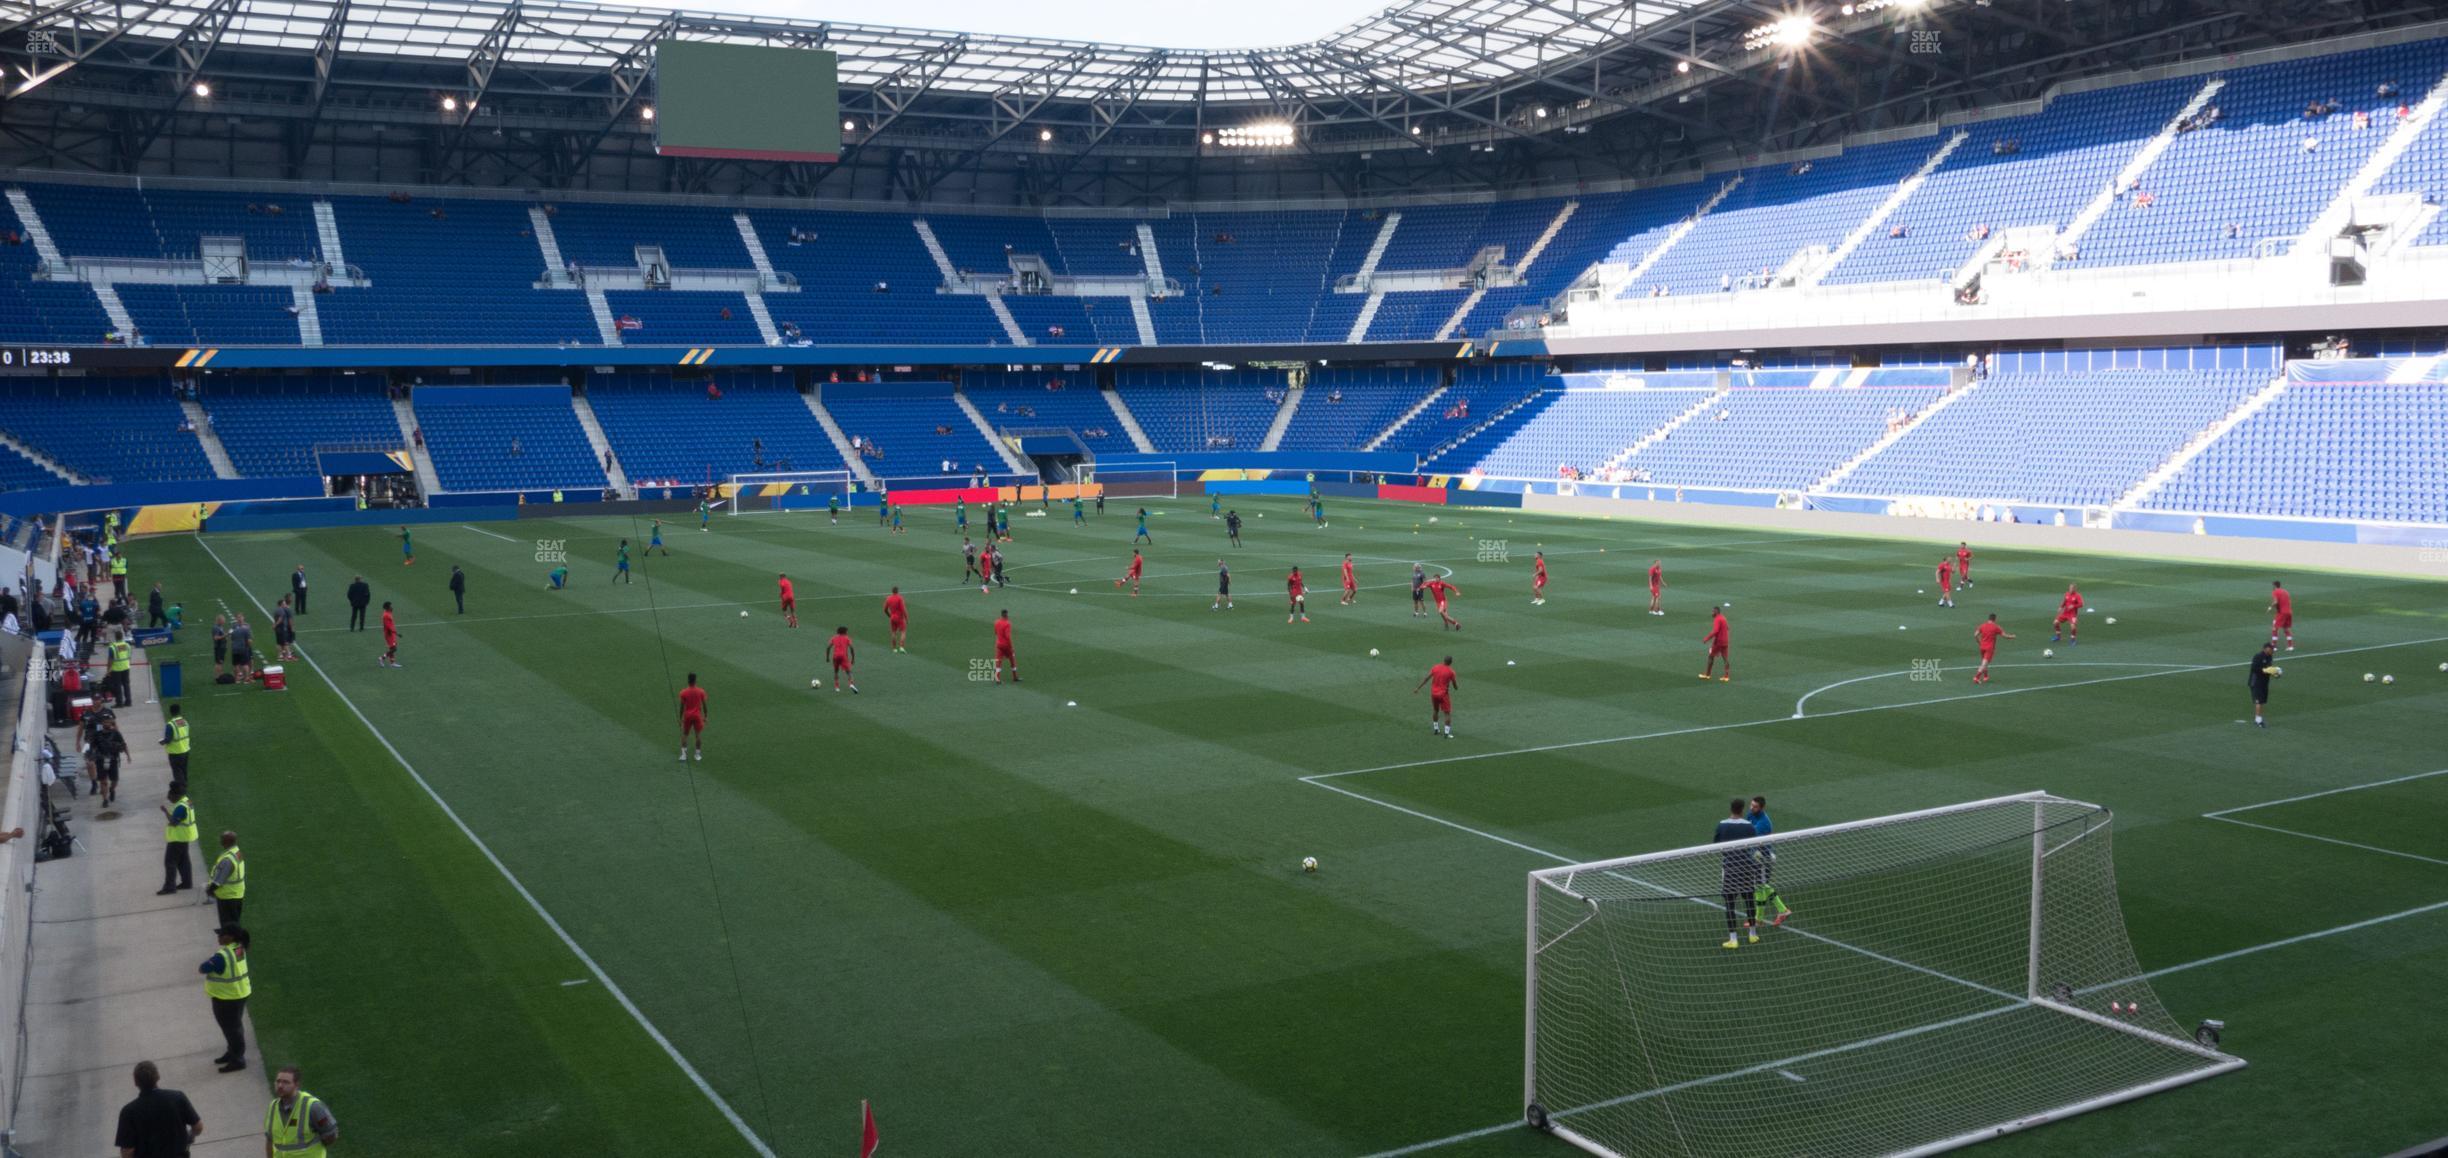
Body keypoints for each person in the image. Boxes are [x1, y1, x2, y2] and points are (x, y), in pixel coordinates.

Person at [113, 1060, 202, 1158]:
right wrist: (190, 1137)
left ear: (136, 1082)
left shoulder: (128, 1112)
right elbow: (198, 1127)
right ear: (158, 1077)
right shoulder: (177, 1097)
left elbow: (127, 1151)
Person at [201, 924, 250, 1072]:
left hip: (226, 999)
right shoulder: (238, 948)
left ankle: (238, 1059)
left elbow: (203, 968)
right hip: (239, 994)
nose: (219, 937)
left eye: (222, 934)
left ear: (231, 937)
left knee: (232, 1030)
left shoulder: (222, 956)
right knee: (233, 1028)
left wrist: (211, 960)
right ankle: (232, 1053)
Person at [1715, 799, 1762, 948]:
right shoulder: (1749, 826)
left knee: (1730, 903)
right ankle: (1752, 935)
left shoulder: (1722, 825)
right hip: (1747, 868)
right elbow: (1754, 846)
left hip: (1730, 868)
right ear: (1742, 810)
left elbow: (1717, 844)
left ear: (1731, 809)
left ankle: (1733, 939)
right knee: (1749, 900)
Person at [264, 1066, 338, 1157]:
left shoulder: (313, 1107)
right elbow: (270, 1140)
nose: (280, 1086)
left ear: (297, 1085)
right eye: (278, 1081)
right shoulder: (273, 1106)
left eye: (286, 1082)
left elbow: (331, 1135)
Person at [1746, 796, 1794, 925]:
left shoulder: (1763, 823)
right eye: (1751, 805)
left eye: (1755, 806)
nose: (1751, 808)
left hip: (1762, 860)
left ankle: (1758, 919)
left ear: (1762, 808)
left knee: (1760, 888)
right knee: (1762, 887)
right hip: (1755, 858)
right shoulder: (1750, 815)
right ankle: (1782, 910)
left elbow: (1753, 841)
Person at [159, 784, 198, 894]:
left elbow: (173, 822)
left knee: (170, 862)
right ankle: (187, 883)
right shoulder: (187, 801)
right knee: (183, 861)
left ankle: (169, 887)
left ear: (176, 795)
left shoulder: (181, 807)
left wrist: (165, 812)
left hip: (178, 838)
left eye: (170, 796)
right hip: (185, 836)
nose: (168, 798)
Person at [1413, 655, 1458, 739]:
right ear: (1451, 662)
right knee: (1447, 713)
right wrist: (1456, 687)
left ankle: (1436, 729)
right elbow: (1455, 685)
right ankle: (1446, 733)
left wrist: (1418, 688)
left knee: (1435, 710)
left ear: (1443, 660)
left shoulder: (1436, 667)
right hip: (1443, 695)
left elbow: (1427, 678)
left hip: (1434, 694)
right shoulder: (1451, 672)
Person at [207, 830, 245, 927]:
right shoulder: (237, 852)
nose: (220, 842)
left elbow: (218, 881)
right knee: (234, 922)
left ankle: (232, 940)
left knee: (228, 925)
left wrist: (210, 890)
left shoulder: (227, 860)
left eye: (222, 840)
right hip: (237, 894)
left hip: (227, 896)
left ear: (227, 842)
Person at [91, 714, 126, 806]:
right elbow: (92, 747)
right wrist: (92, 756)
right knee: (103, 781)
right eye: (105, 721)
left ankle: (112, 789)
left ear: (111, 722)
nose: (107, 723)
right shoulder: (97, 734)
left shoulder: (116, 733)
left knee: (114, 780)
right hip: (100, 760)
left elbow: (123, 745)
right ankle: (105, 800)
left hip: (113, 759)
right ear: (102, 723)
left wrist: (121, 749)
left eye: (108, 721)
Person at [1973, 613, 2013, 684]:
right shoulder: (1996, 627)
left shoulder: (1982, 625)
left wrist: (1978, 642)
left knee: (1984, 662)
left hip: (1982, 647)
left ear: (1988, 618)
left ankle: (1985, 676)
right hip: (1989, 648)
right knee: (1984, 663)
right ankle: (1976, 677)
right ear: (1995, 619)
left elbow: (1975, 635)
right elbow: (2005, 636)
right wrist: (2012, 636)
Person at [678, 672, 708, 761]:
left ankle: (683, 755)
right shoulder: (701, 691)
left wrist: (680, 719)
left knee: (685, 735)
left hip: (687, 716)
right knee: (698, 735)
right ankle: (697, 755)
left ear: (688, 681)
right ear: (695, 680)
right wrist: (705, 716)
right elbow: (704, 705)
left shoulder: (683, 692)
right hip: (697, 716)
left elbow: (681, 707)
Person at [161, 704, 192, 784]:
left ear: (171, 712)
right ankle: (185, 784)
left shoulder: (170, 724)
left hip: (175, 753)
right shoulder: (184, 722)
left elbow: (168, 739)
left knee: (177, 772)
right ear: (179, 711)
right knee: (183, 770)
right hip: (185, 750)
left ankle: (181, 789)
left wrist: (162, 742)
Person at [2248, 641, 2276, 729]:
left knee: (2262, 701)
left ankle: (2259, 718)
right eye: (2271, 649)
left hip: (2264, 682)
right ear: (2266, 649)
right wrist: (2265, 670)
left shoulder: (2270, 657)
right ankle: (2258, 720)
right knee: (2259, 701)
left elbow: (2269, 668)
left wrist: (2274, 673)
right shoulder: (2258, 656)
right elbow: (2254, 668)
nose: (2272, 650)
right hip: (2256, 682)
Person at [1701, 605, 1731, 681]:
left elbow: (1715, 631)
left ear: (1716, 612)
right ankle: (1726, 676)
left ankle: (1707, 674)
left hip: (1719, 641)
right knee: (1725, 658)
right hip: (1725, 641)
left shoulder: (1717, 619)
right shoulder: (1723, 618)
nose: (1712, 613)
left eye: (1713, 611)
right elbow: (1728, 628)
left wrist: (1706, 639)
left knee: (1710, 656)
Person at [106, 630, 134, 706]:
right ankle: (128, 701)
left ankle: (119, 703)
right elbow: (129, 656)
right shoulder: (127, 645)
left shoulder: (112, 647)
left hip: (116, 669)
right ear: (122, 637)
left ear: (115, 637)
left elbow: (110, 660)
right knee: (126, 685)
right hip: (126, 667)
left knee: (117, 686)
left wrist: (108, 670)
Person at [828, 627, 858, 693]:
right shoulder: (847, 638)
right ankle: (851, 684)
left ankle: (837, 687)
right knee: (849, 672)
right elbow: (851, 648)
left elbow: (828, 647)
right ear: (844, 632)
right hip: (843, 656)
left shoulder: (834, 638)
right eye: (847, 631)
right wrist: (853, 658)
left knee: (836, 671)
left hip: (835, 656)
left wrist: (827, 657)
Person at [992, 610, 1019, 683]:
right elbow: (1008, 637)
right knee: (1012, 659)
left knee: (998, 661)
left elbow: (995, 632)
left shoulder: (996, 622)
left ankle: (997, 678)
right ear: (1006, 615)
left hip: (999, 645)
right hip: (1006, 645)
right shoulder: (1007, 623)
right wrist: (1011, 647)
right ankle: (1015, 677)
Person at [2268, 580, 2295, 650]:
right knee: (2286, 629)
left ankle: (2273, 646)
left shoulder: (2275, 592)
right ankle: (2290, 646)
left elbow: (2276, 602)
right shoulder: (2285, 591)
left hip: (2282, 613)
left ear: (2274, 586)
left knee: (2275, 628)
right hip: (2289, 612)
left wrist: (2270, 607)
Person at [884, 587, 908, 652]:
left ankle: (894, 648)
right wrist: (906, 617)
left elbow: (885, 609)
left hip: (892, 618)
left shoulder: (888, 598)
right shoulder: (900, 598)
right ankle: (901, 647)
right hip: (899, 618)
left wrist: (890, 616)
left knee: (893, 633)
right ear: (897, 591)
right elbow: (903, 609)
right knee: (903, 632)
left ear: (892, 591)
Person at [273, 598, 297, 662]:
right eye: (284, 603)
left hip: (278, 629)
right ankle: (288, 657)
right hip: (282, 629)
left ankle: (280, 656)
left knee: (279, 643)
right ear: (281, 604)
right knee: (285, 643)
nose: (285, 604)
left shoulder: (277, 610)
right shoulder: (281, 610)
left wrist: (275, 625)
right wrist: (275, 625)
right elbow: (280, 619)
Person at [378, 602, 399, 667]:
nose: (392, 607)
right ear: (387, 608)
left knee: (392, 648)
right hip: (389, 634)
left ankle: (392, 663)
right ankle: (381, 658)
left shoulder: (389, 613)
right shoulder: (386, 615)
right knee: (394, 649)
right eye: (390, 606)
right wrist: (396, 633)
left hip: (391, 634)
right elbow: (388, 626)